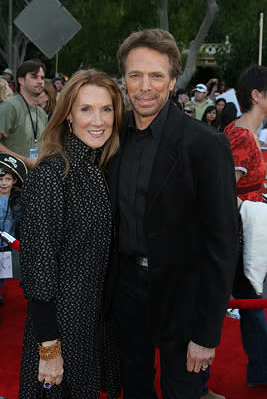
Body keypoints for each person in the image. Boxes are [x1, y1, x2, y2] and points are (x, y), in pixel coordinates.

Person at [107, 28, 238, 399]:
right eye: (135, 75)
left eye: (156, 75)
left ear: (173, 80)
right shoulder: (113, 138)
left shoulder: (206, 144)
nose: (144, 86)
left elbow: (223, 243)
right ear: (124, 79)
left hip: (184, 295)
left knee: (181, 392)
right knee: (133, 387)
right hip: (126, 291)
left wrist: (207, 332)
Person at [18, 69, 124, 399]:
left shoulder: (99, 170)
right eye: (86, 109)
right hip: (60, 330)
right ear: (67, 116)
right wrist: (49, 351)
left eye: (106, 109)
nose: (98, 120)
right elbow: (38, 271)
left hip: (93, 325)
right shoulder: (51, 177)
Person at [223, 64, 267, 388]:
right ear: (256, 95)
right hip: (242, 237)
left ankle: (260, 373)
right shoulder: (240, 135)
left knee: (255, 309)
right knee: (254, 307)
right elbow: (224, 192)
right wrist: (254, 205)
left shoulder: (244, 133)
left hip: (248, 234)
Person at [0, 59, 48, 169]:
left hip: (35, 176)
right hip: (10, 178)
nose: (40, 81)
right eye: (34, 77)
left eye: (42, 77)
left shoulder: (41, 112)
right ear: (21, 80)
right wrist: (24, 160)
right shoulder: (10, 107)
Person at [0, 154, 26, 307]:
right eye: (1, 179)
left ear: (14, 180)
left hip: (8, 241)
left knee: (3, 270)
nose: (4, 183)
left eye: (8, 179)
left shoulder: (18, 199)